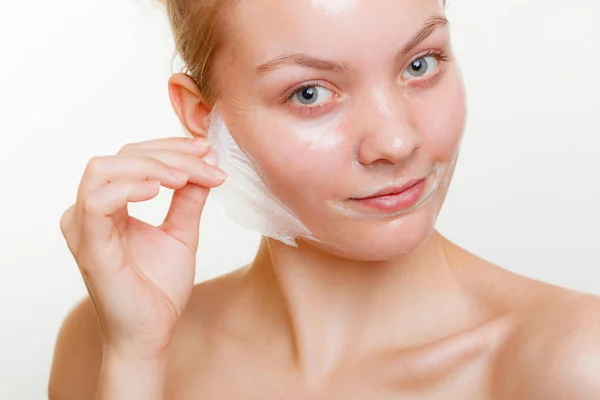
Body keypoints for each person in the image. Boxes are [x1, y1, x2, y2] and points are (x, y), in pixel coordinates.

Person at [48, 0, 600, 398]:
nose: (396, 141)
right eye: (309, 93)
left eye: (420, 64)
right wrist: (138, 358)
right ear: (203, 116)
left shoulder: (576, 362)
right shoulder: (107, 346)